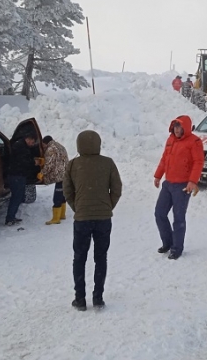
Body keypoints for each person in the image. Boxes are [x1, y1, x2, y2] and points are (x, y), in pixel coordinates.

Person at [64, 130, 122, 311]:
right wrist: (107, 206)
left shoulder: (73, 165)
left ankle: (80, 299)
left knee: (79, 258)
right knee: (101, 258)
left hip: (82, 219)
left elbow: (67, 191)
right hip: (103, 219)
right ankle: (98, 298)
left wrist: (78, 208)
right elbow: (117, 189)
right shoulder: (108, 163)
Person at [153, 115, 204, 260]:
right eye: (175, 127)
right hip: (168, 184)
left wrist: (192, 181)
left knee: (178, 218)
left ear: (185, 128)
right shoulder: (170, 140)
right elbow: (164, 159)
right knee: (159, 213)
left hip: (182, 186)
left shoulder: (194, 142)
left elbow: (198, 162)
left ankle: (177, 248)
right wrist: (158, 175)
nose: (176, 130)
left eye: (179, 127)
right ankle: (168, 243)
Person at [5, 131, 39, 226]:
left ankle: (11, 217)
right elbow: (23, 161)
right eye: (32, 142)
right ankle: (10, 218)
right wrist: (34, 163)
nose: (32, 144)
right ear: (28, 139)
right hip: (17, 175)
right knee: (16, 197)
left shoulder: (21, 145)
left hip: (17, 175)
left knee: (17, 196)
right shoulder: (20, 147)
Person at [40, 135, 70, 225]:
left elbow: (49, 164)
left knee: (57, 196)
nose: (43, 146)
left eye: (43, 145)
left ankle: (56, 218)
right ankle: (62, 214)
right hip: (66, 173)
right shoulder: (60, 146)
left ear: (46, 143)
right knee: (62, 194)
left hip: (59, 175)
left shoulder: (51, 149)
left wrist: (42, 173)